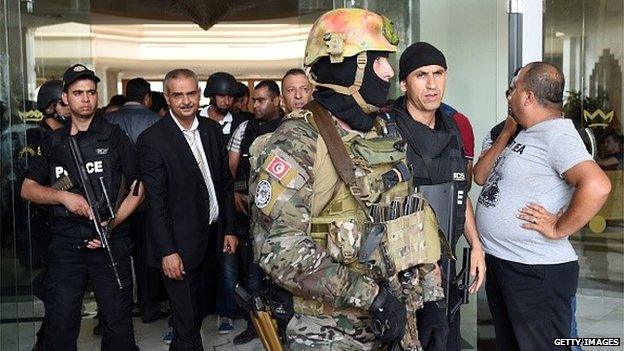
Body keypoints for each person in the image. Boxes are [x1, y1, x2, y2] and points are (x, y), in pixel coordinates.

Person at [248, 8, 443, 350]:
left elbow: (407, 217)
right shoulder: (298, 141)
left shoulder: (382, 130)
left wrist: (428, 299)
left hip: (395, 324)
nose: (387, 71)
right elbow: (279, 249)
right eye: (378, 59)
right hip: (328, 333)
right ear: (346, 68)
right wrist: (373, 297)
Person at [475, 62, 611, 350]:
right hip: (505, 262)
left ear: (527, 97)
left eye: (512, 90)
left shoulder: (556, 135)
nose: (508, 97)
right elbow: (480, 176)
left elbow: (597, 185)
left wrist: (559, 227)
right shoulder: (524, 132)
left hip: (535, 271)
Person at [21, 64, 142, 351]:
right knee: (61, 324)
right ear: (65, 98)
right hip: (66, 243)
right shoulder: (52, 141)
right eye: (78, 93)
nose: (85, 98)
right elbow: (27, 189)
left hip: (109, 240)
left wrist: (110, 225)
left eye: (90, 92)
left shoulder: (115, 137)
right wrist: (64, 198)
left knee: (117, 323)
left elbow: (138, 190)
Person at [388, 41, 486, 351]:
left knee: (444, 340)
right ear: (404, 83)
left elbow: (460, 191)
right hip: (400, 270)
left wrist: (477, 245)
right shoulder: (385, 129)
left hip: (446, 263)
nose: (432, 84)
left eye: (438, 73)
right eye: (421, 75)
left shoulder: (453, 128)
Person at [137, 68, 237, 350]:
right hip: (178, 246)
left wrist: (229, 228)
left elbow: (225, 184)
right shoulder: (153, 139)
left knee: (194, 318)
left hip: (212, 238)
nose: (185, 101)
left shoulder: (212, 130)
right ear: (167, 97)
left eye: (191, 93)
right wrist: (167, 251)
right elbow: (156, 202)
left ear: (199, 94)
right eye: (178, 95)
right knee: (186, 320)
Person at [105, 77, 167, 325]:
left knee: (113, 258)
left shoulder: (107, 121)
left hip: (113, 201)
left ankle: (110, 313)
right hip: (146, 199)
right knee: (146, 255)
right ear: (147, 98)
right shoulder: (156, 121)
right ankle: (149, 307)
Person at [228, 80, 283, 345]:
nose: (256, 105)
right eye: (255, 100)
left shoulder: (291, 126)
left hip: (284, 212)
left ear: (276, 101)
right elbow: (235, 166)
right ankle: (255, 324)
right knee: (252, 270)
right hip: (251, 212)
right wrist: (237, 190)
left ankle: (283, 323)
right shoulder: (245, 127)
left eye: (262, 100)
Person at [25, 79, 70, 351]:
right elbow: (29, 185)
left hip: (61, 224)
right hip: (41, 222)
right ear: (52, 106)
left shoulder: (68, 135)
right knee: (53, 290)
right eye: (65, 101)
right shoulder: (36, 137)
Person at [199, 72, 248, 145]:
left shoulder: (240, 122)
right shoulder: (196, 119)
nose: (227, 102)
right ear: (211, 96)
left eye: (230, 96)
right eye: (222, 96)